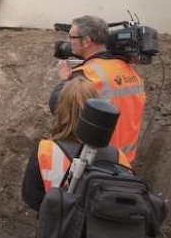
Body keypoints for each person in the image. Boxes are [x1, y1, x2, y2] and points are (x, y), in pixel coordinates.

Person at [22, 77, 131, 212]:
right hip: (101, 231)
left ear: (60, 109)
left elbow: (31, 198)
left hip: (58, 228)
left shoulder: (45, 151)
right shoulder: (118, 156)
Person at [49, 15, 145, 163]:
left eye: (72, 37)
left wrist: (65, 80)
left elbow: (58, 107)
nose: (69, 42)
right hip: (124, 161)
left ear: (87, 41)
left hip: (95, 162)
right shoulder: (129, 70)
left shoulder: (86, 74)